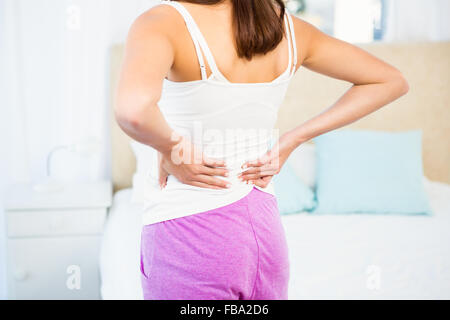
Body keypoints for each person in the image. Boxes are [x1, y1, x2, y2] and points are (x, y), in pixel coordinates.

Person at [115, 0, 409, 300]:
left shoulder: (161, 22)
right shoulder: (288, 29)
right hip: (264, 233)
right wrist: (294, 138)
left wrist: (172, 147)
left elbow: (134, 112)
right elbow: (391, 80)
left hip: (192, 235)